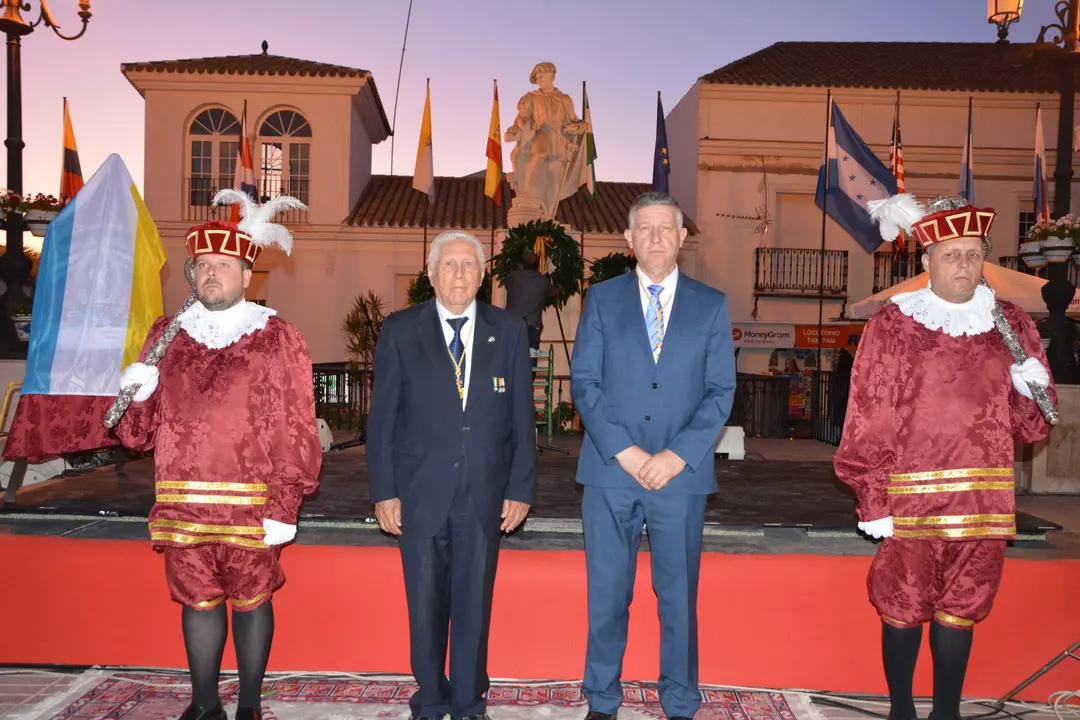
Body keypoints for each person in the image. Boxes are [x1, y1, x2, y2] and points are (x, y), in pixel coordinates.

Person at [834, 195, 1056, 720]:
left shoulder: (1011, 323)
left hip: (983, 499)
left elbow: (1030, 427)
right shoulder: (894, 324)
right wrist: (873, 497)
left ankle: (948, 713)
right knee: (905, 606)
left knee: (961, 611)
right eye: (952, 254)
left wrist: (1029, 391)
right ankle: (902, 711)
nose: (964, 265)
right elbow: (869, 411)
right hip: (911, 500)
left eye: (974, 254)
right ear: (927, 260)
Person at [114, 197, 323, 720]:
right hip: (182, 502)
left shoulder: (276, 336)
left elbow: (295, 424)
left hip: (253, 503)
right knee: (197, 603)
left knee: (252, 601)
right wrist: (137, 395)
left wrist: (285, 503)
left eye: (223, 266)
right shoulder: (166, 336)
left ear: (246, 274)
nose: (211, 274)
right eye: (203, 266)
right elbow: (136, 436)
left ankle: (248, 705)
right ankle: (205, 704)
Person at [570, 191, 736, 720]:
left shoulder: (711, 305)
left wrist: (674, 457)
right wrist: (625, 451)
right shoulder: (601, 299)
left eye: (667, 228)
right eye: (646, 229)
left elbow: (719, 392)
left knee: (678, 598)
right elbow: (585, 383)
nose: (657, 238)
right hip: (611, 474)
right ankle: (601, 698)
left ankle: (681, 700)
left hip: (679, 478)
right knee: (607, 594)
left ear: (683, 237)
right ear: (628, 239)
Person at [367, 230, 536, 720]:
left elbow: (520, 419)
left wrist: (521, 487)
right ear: (431, 273)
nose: (459, 274)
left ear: (483, 276)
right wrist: (385, 492)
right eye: (449, 265)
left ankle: (468, 699)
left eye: (468, 265)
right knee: (424, 603)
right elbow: (382, 420)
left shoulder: (507, 331)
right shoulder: (400, 330)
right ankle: (430, 696)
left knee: (473, 604)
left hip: (484, 493)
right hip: (418, 494)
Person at [503, 251, 556, 365]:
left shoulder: (512, 278)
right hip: (532, 326)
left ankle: (511, 381)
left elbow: (508, 286)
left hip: (512, 325)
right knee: (530, 361)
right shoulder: (542, 281)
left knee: (511, 357)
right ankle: (528, 380)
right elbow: (552, 292)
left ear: (521, 264)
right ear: (538, 266)